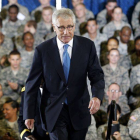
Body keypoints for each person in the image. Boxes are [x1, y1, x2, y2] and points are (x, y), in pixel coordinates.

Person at [23, 8, 105, 140]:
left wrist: (97, 96)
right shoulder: (42, 50)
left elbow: (96, 75)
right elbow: (32, 84)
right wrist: (29, 114)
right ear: (53, 27)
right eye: (61, 28)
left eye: (70, 27)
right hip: (54, 111)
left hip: (79, 109)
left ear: (74, 25)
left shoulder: (87, 46)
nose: (66, 32)